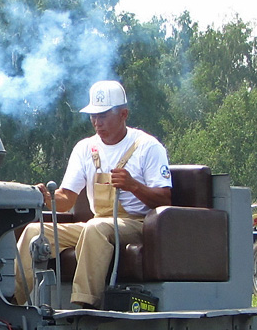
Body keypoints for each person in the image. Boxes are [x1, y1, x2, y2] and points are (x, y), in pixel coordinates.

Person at [14, 80, 172, 309]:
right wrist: (46, 198)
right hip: (98, 224)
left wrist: (133, 186)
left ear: (123, 114)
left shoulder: (147, 147)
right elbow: (67, 198)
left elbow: (165, 199)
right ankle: (11, 305)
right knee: (34, 232)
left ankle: (84, 306)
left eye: (104, 115)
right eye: (93, 117)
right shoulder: (85, 148)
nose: (97, 123)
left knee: (94, 228)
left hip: (138, 225)